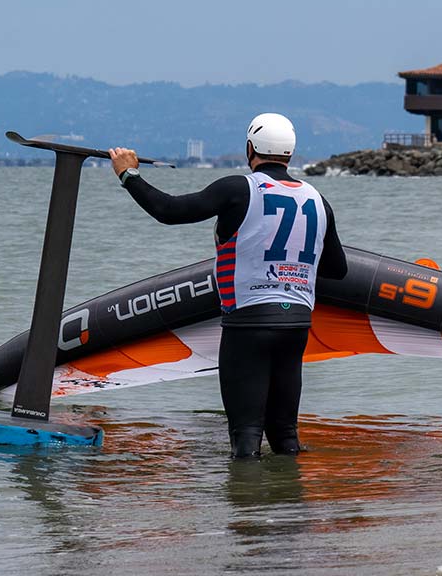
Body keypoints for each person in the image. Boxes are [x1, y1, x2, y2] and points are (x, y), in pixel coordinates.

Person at [109, 113, 347, 459]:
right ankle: (292, 510)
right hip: (296, 324)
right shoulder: (317, 200)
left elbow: (170, 211)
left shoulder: (238, 189)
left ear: (250, 148)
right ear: (290, 154)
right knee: (285, 435)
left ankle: (245, 512)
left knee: (246, 439)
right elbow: (337, 268)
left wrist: (128, 175)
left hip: (248, 324)